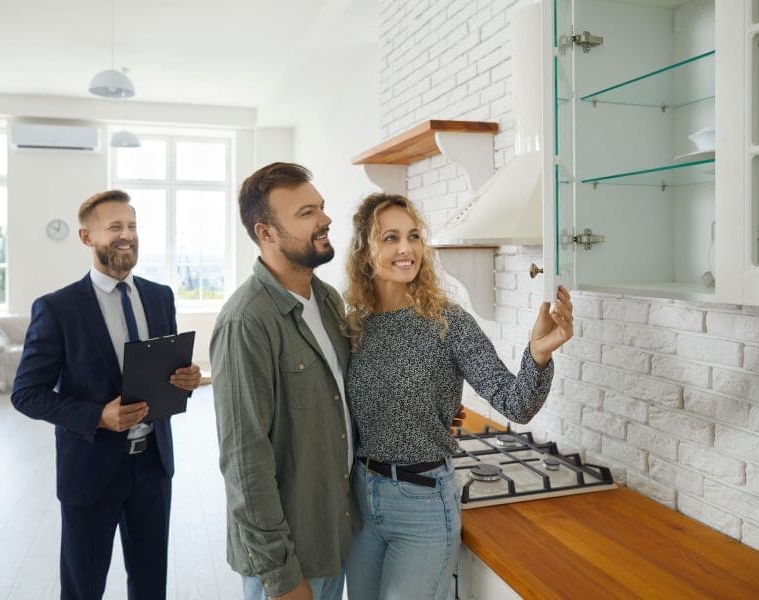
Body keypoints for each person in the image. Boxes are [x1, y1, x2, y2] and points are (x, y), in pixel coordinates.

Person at [343, 192, 574, 600]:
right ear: (364, 252)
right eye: (390, 237)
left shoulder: (447, 321)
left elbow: (514, 402)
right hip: (361, 499)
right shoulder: (353, 327)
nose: (406, 249)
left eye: (413, 236)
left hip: (423, 506)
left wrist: (538, 354)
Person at [11, 189, 201, 600]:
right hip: (90, 471)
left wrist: (186, 377)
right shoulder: (57, 308)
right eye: (114, 227)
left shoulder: (159, 296)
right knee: (83, 587)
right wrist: (98, 415)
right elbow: (26, 393)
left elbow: (163, 369)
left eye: (132, 226)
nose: (126, 235)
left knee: (151, 585)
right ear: (86, 237)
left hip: (153, 466)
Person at [210, 162, 355, 600]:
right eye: (306, 213)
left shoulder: (327, 300)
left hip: (333, 535)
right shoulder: (246, 322)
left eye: (322, 208)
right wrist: (280, 574)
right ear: (266, 233)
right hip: (287, 561)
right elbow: (243, 462)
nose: (325, 219)